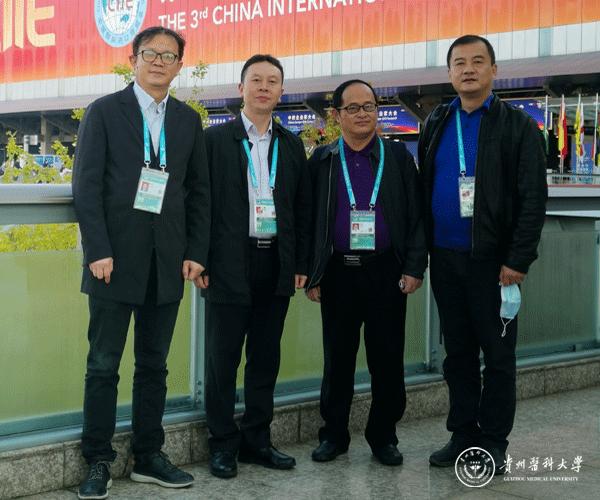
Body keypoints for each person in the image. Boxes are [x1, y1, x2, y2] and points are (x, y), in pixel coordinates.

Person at [72, 26, 210, 499]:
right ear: (133, 60)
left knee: (154, 366)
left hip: (166, 263)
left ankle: (149, 455)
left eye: (168, 56)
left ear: (179, 66)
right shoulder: (104, 112)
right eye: (150, 53)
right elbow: (86, 186)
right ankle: (98, 459)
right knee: (102, 365)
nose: (158, 62)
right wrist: (97, 249)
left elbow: (198, 193)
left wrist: (195, 252)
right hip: (111, 262)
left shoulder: (188, 121)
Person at [418, 35, 547, 472]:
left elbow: (533, 199)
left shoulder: (517, 126)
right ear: (449, 73)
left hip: (495, 265)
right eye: (459, 63)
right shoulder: (437, 120)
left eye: (477, 61)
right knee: (457, 356)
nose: (468, 69)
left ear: (494, 70)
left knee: (498, 357)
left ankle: (493, 442)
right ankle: (462, 435)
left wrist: (518, 259)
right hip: (446, 259)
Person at [200, 54, 311, 479]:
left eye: (273, 81)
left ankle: (257, 441)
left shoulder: (292, 144)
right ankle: (222, 444)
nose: (264, 87)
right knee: (222, 359)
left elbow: (301, 209)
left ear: (281, 91)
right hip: (227, 261)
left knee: (265, 357)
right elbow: (200, 205)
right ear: (240, 88)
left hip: (276, 261)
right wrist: (200, 258)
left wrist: (300, 262)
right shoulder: (215, 141)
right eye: (256, 80)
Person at [306, 79, 427, 466]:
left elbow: (416, 215)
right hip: (338, 274)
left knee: (387, 359)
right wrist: (313, 273)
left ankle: (383, 436)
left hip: (386, 271)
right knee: (337, 360)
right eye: (353, 108)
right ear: (337, 115)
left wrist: (414, 266)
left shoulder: (398, 157)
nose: (362, 114)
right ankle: (334, 435)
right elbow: (309, 220)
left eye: (369, 106)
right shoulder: (322, 160)